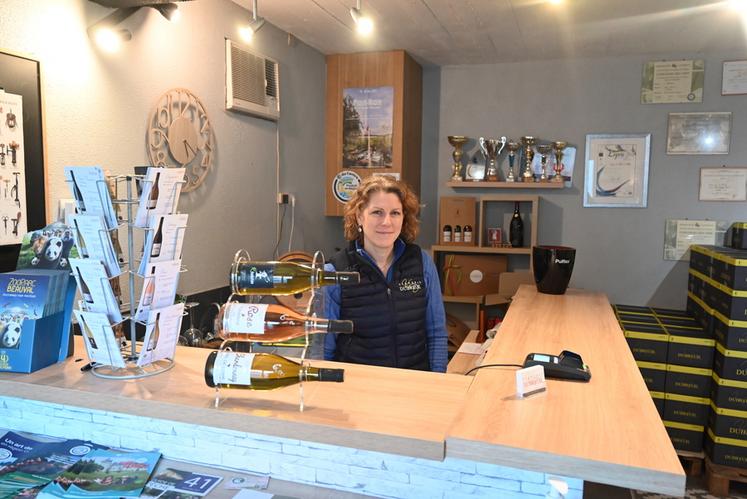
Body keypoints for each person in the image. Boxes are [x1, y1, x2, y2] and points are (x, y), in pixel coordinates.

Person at [323, 175, 448, 372]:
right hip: (357, 384)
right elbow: (324, 349)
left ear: (404, 218)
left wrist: (437, 379)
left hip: (413, 382)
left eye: (395, 213)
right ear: (359, 216)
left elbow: (436, 334)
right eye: (377, 212)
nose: (386, 222)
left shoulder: (422, 263)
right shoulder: (335, 272)